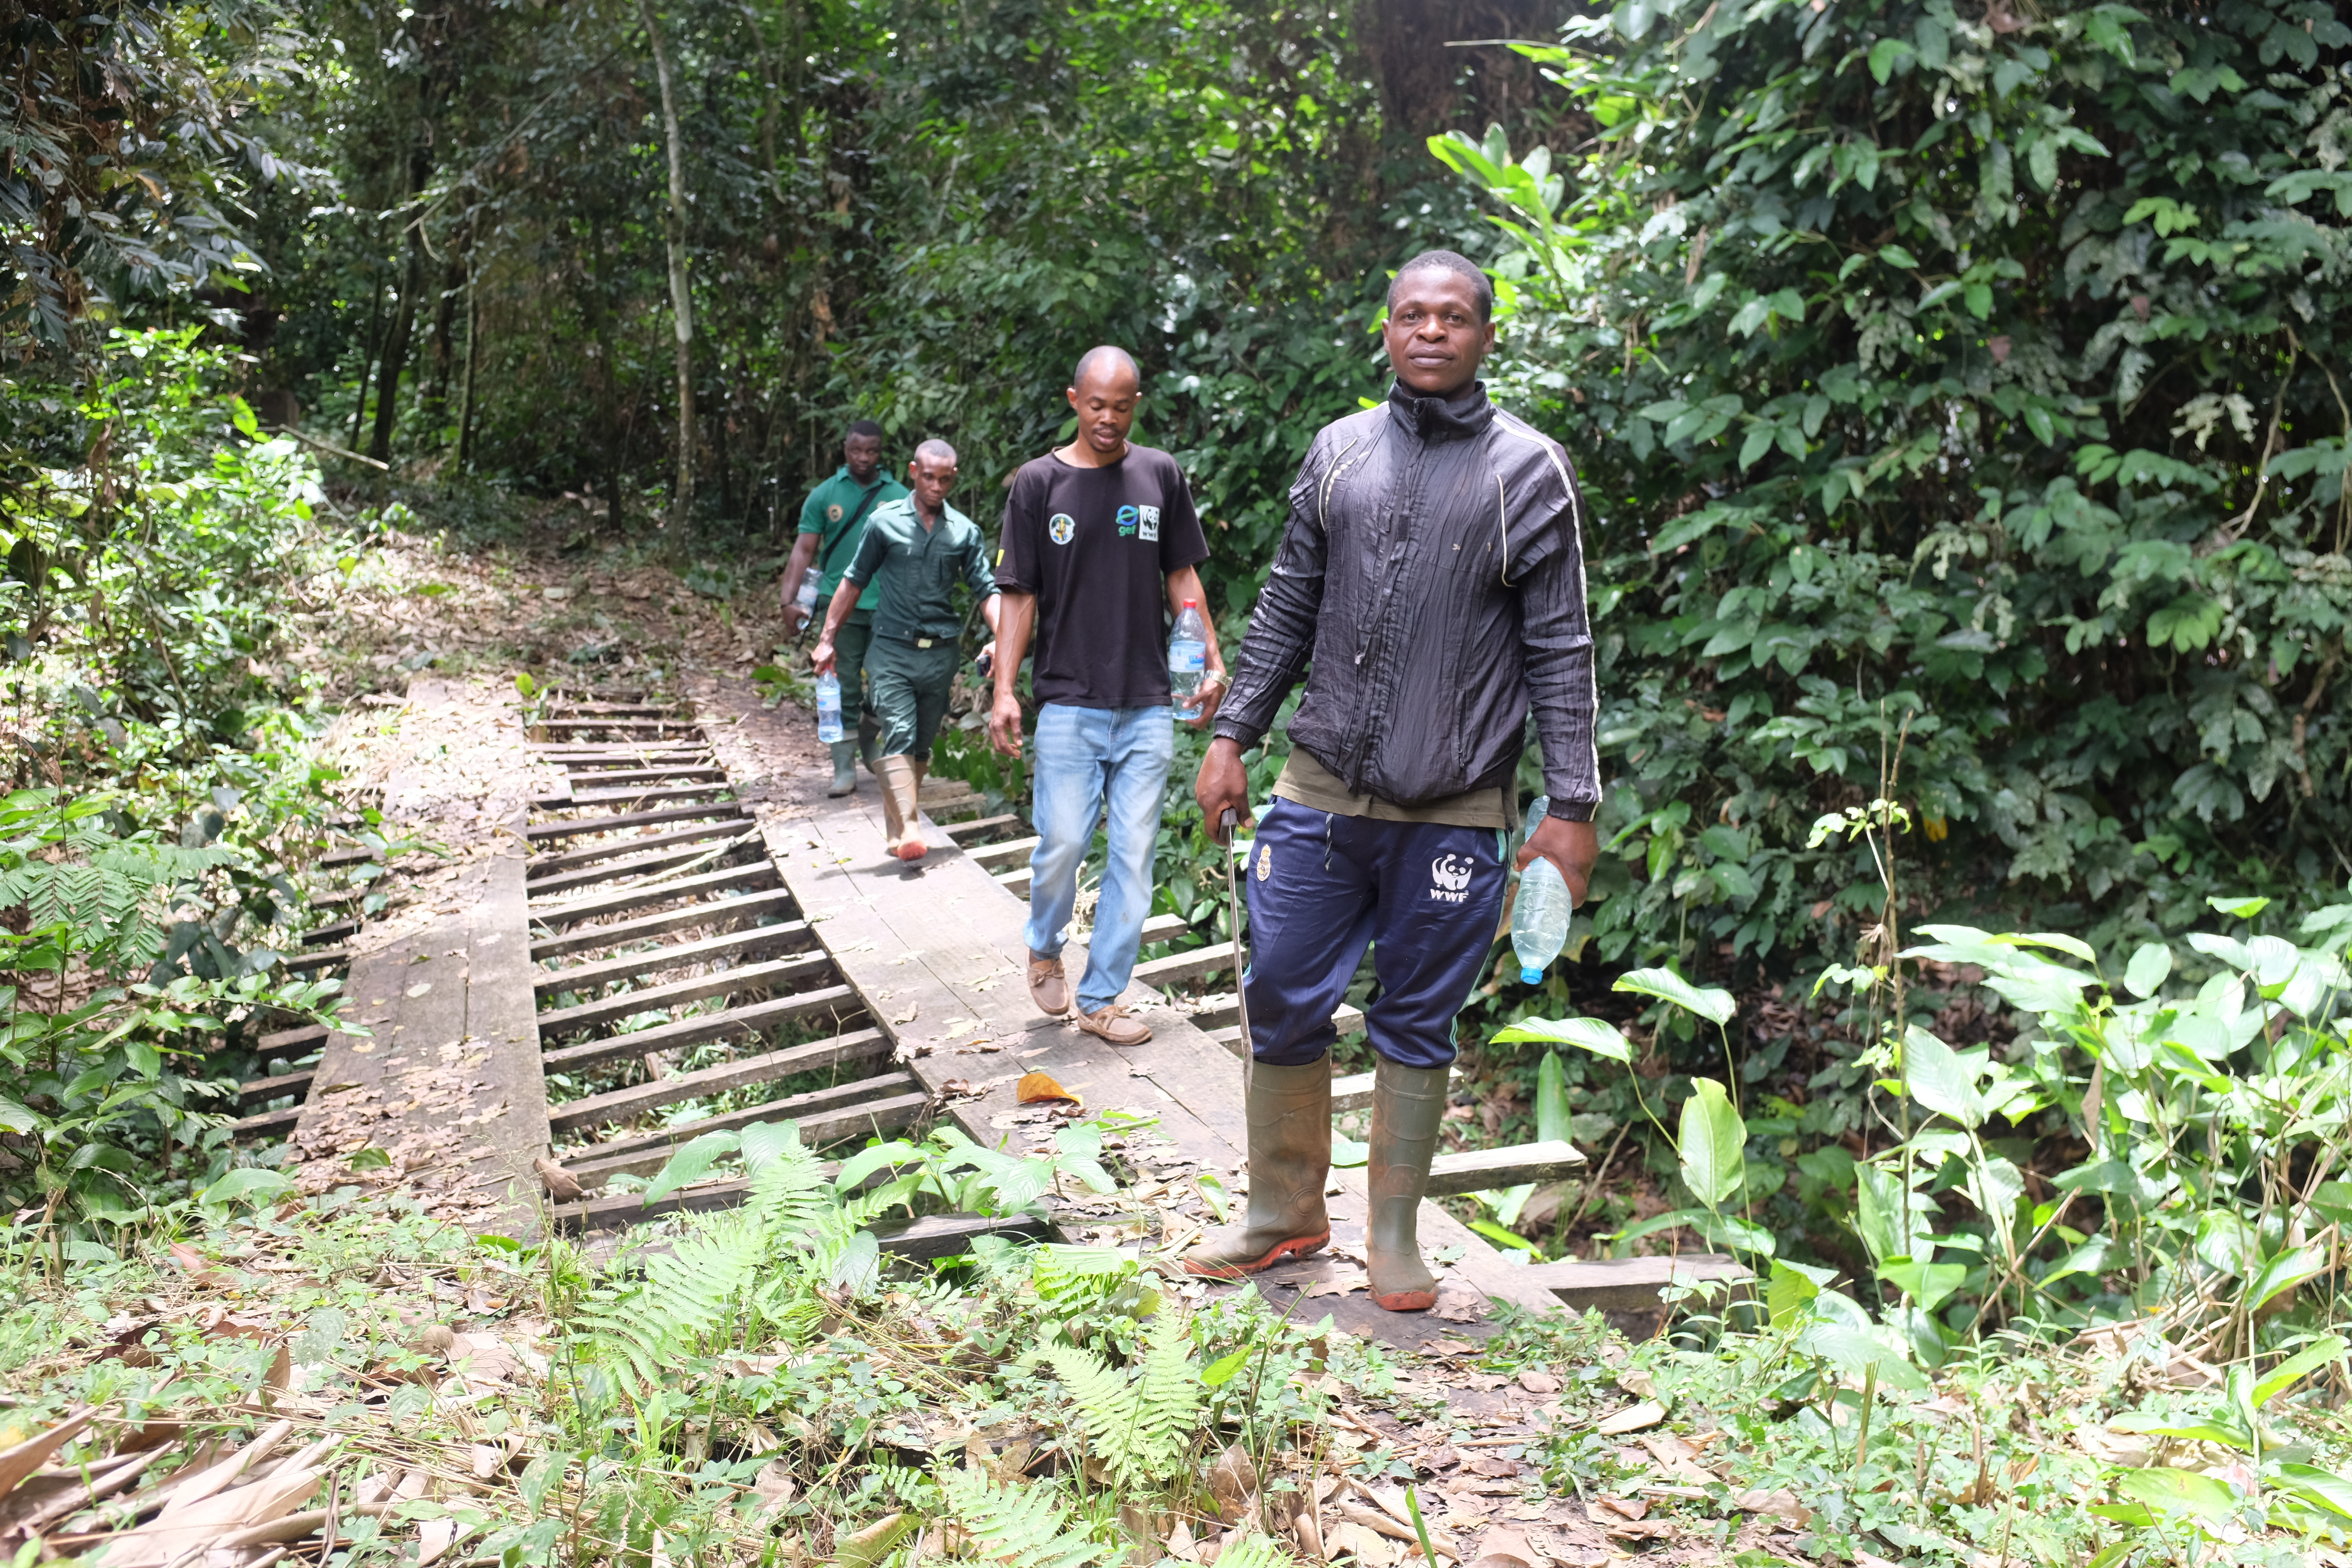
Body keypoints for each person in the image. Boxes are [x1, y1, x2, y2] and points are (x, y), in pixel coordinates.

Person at [1184, 250, 1602, 1312]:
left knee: (1417, 1015)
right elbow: (1285, 607)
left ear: (1484, 336)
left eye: (1453, 317)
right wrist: (1235, 735)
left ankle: (1395, 1237)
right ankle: (1285, 1214)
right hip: (1321, 787)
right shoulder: (1339, 454)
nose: (1430, 332)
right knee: (1279, 985)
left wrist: (1573, 806)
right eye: (1412, 314)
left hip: (1456, 805)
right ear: (1385, 328)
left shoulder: (1528, 472)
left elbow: (1562, 648)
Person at [989, 346, 1226, 1047]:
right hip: (1069, 699)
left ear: (1136, 405)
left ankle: (1101, 998)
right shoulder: (1037, 486)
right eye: (1097, 404)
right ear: (1073, 399)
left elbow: (1182, 578)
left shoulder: (1159, 474)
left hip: (1149, 699)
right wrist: (1005, 690)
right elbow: (1019, 598)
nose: (1109, 418)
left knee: (1133, 854)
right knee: (1062, 842)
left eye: (1122, 406)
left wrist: (1211, 660)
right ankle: (1043, 943)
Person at [812, 439, 1002, 861]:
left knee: (921, 744)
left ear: (954, 478)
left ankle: (898, 832)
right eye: (929, 477)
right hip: (892, 649)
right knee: (899, 729)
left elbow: (986, 590)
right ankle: (913, 826)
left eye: (945, 479)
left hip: (940, 654)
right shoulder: (885, 522)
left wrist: (1004, 637)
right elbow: (853, 579)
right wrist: (827, 639)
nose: (936, 487)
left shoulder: (964, 532)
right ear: (914, 471)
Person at [782, 420, 907, 796]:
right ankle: (843, 768)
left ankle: (869, 739)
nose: (864, 458)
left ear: (881, 451)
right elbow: (804, 550)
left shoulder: (900, 494)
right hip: (840, 607)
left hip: (889, 607)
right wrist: (789, 601)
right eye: (856, 450)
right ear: (845, 448)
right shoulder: (825, 495)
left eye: (871, 451)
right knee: (840, 684)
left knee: (889, 686)